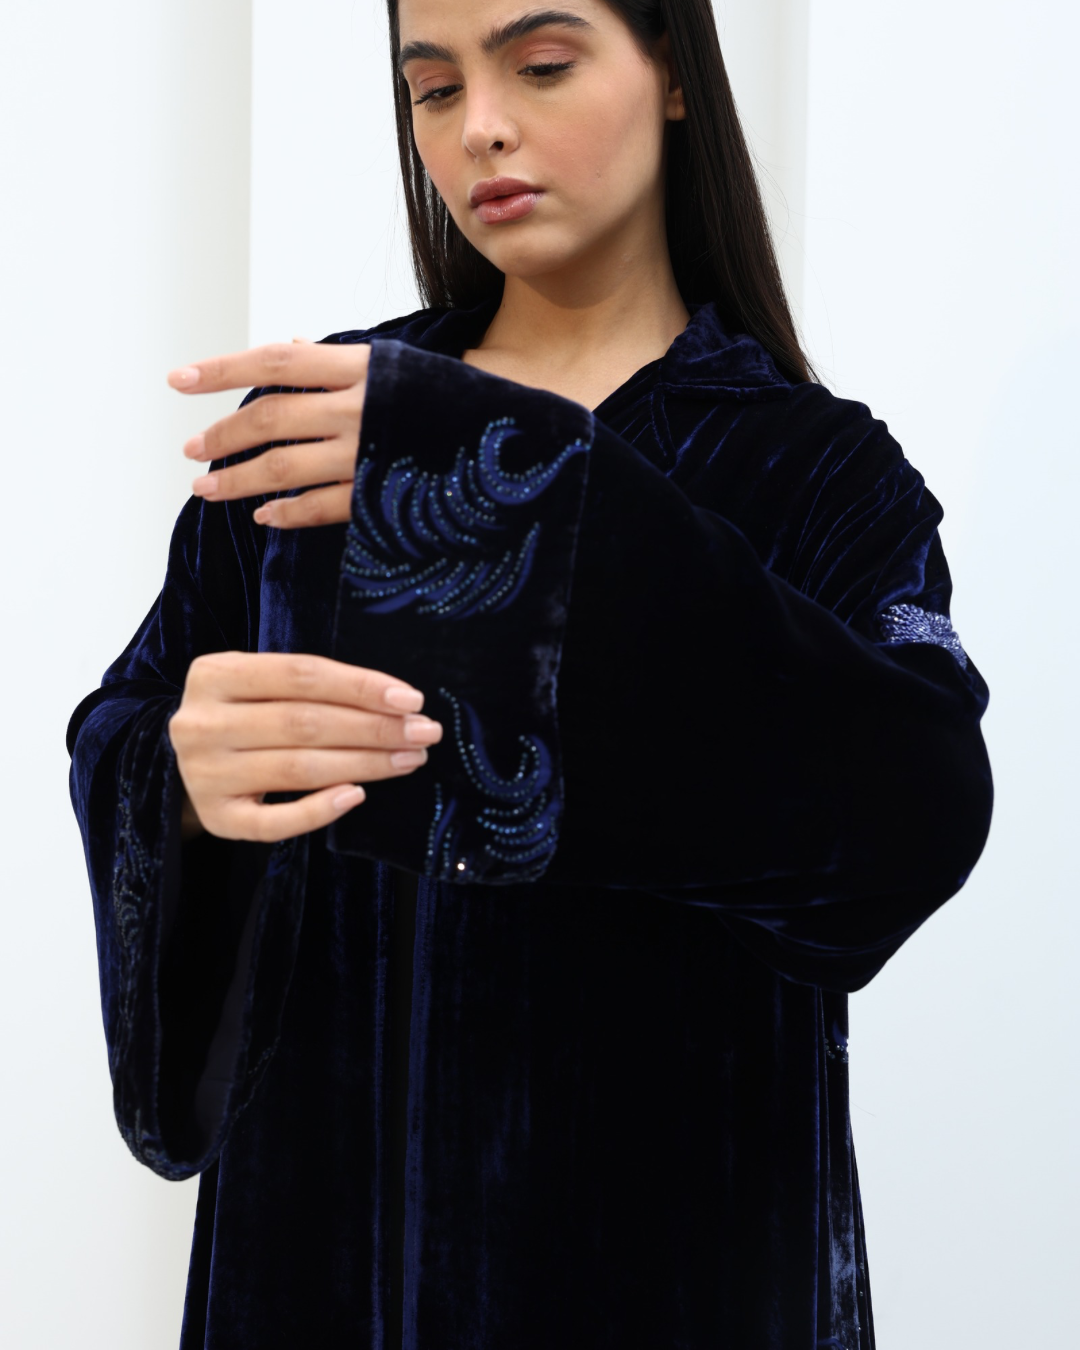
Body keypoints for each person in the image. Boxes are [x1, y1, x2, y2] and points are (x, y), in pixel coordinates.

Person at [66, 1, 994, 1346]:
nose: (481, 128)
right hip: (322, 1258)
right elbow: (135, 728)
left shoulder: (817, 476)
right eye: (434, 89)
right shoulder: (324, 435)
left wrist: (567, 508)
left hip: (675, 1273)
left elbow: (916, 815)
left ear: (672, 73)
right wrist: (180, 779)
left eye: (542, 65)